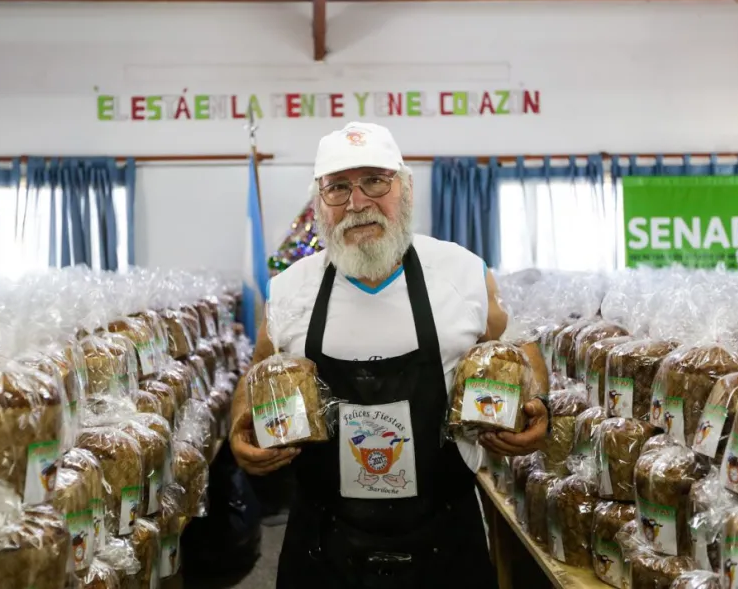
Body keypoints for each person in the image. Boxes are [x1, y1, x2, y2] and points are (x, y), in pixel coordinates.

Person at [229, 122, 550, 589]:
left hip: (445, 539)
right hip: (323, 543)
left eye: (375, 181)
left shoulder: (463, 272)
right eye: (338, 188)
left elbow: (521, 345)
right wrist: (241, 426)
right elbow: (258, 372)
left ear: (405, 188)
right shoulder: (290, 289)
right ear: (320, 202)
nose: (357, 203)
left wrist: (538, 404)